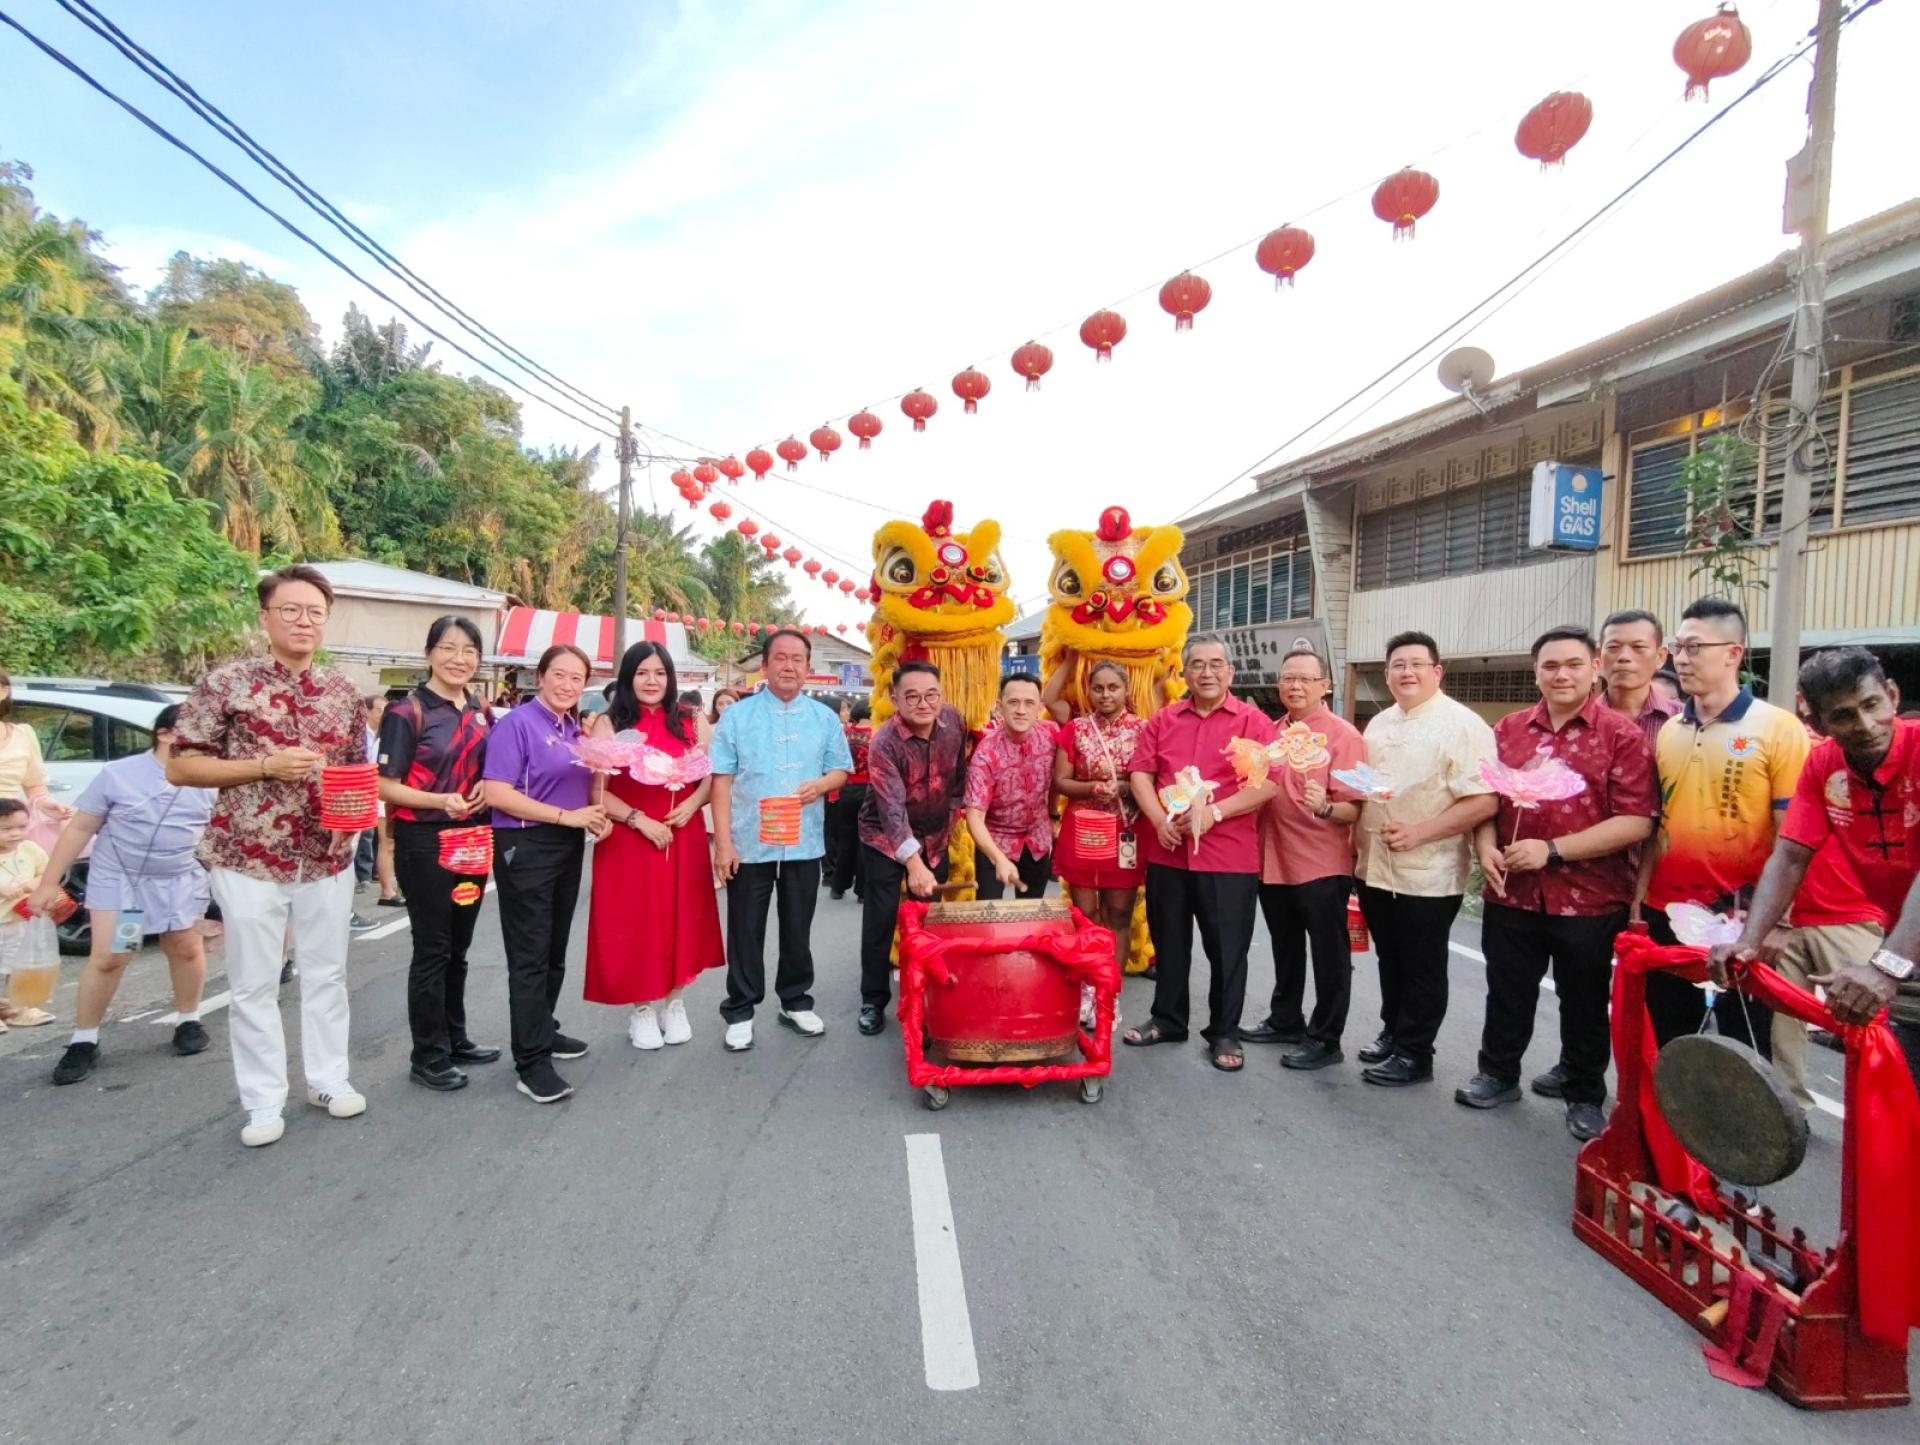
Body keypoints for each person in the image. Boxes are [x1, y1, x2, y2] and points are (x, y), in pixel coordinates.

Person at [166, 565, 368, 1148]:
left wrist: (348, 825)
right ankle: (262, 1101)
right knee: (254, 983)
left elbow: (354, 773)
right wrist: (261, 766)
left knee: (327, 974)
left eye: (314, 613)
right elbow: (181, 764)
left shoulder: (342, 691)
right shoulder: (226, 684)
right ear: (266, 615)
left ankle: (329, 1080)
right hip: (247, 856)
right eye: (291, 610)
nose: (304, 621)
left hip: (324, 859)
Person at [1458, 627, 1658, 1139]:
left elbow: (1636, 820)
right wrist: (1485, 846)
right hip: (1512, 891)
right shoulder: (1507, 730)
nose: (1561, 675)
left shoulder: (1622, 735)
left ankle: (1584, 1091)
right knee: (1506, 991)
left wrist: (1551, 850)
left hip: (1590, 897)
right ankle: (1498, 1074)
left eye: (1573, 664)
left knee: (1584, 1000)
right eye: (1550, 666)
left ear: (1595, 667)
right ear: (1536, 673)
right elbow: (1487, 802)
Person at [1706, 647, 1917, 1098]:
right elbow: (1789, 857)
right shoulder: (1823, 766)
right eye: (1843, 716)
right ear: (1819, 724)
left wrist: (1887, 967)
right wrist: (1748, 941)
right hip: (1909, 946)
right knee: (1901, 1092)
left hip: (1897, 948)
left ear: (1893, 696)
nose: (1863, 725)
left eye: (1871, 705)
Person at [1638, 598, 1809, 1055]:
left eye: (1695, 647)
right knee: (1666, 1042)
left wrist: (1777, 923)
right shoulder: (1670, 731)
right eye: (1679, 647)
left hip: (1743, 921)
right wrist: (1640, 903)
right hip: (1668, 914)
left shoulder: (1778, 729)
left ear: (1734, 653)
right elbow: (1658, 827)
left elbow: (1796, 839)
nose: (1683, 658)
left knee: (1745, 1051)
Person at [31, 706, 215, 1080]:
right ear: (164, 734)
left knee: (184, 947)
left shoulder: (213, 779)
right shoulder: (119, 774)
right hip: (121, 879)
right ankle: (84, 1040)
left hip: (179, 876)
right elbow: (81, 827)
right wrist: (50, 882)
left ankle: (188, 1020)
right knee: (112, 956)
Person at [1121, 636, 1278, 1073]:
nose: (1206, 673)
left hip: (1227, 857)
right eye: (1196, 665)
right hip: (1169, 853)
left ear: (1230, 672)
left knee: (1228, 950)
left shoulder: (1253, 723)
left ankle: (1224, 1031)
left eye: (1215, 665)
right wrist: (1157, 820)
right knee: (1169, 943)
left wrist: (1215, 813)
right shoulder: (1164, 720)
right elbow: (1140, 773)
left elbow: (1268, 784)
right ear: (1184, 673)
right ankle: (1168, 1019)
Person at [1352, 631, 1499, 1087]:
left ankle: (1417, 1053)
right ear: (1387, 673)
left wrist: (1420, 832)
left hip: (1428, 873)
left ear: (1437, 672)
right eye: (1398, 664)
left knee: (1422, 964)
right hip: (1375, 866)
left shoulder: (1463, 724)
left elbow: (1484, 801)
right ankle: (1393, 1032)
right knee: (1390, 959)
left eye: (1417, 664)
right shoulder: (1379, 724)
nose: (1407, 672)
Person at [710, 629, 851, 1051]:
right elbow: (721, 780)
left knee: (797, 925)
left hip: (804, 841)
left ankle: (795, 1000)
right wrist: (723, 843)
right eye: (781, 658)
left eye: (798, 659)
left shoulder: (824, 718)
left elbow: (841, 769)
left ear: (808, 667)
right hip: (749, 840)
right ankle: (741, 1007)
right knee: (745, 927)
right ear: (765, 664)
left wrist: (821, 785)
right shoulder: (737, 716)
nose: (789, 666)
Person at [376, 616, 500, 1093]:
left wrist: (488, 790)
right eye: (448, 648)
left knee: (459, 946)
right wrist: (439, 801)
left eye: (469, 650)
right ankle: (426, 1054)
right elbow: (386, 785)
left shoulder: (480, 711)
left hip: (473, 841)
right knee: (432, 947)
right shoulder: (406, 713)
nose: (459, 658)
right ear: (429, 653)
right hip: (425, 843)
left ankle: (455, 1037)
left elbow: (488, 769)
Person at [483, 644, 610, 1104]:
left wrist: (594, 813)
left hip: (567, 844)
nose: (567, 685)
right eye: (559, 675)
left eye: (577, 678)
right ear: (541, 677)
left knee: (555, 949)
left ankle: (544, 1028)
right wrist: (564, 817)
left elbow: (583, 788)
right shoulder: (516, 724)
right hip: (527, 844)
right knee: (531, 955)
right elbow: (496, 791)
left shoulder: (574, 730)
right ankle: (531, 1062)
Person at [585, 641, 724, 1051]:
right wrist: (637, 819)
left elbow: (710, 776)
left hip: (683, 834)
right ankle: (642, 1009)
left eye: (659, 673)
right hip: (630, 839)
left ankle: (675, 1002)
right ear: (628, 677)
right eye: (642, 672)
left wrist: (692, 807)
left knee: (682, 917)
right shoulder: (609, 724)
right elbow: (597, 791)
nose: (651, 681)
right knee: (636, 922)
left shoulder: (690, 719)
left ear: (670, 678)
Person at [1244, 648, 1367, 1071]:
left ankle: (1326, 1038)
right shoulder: (1270, 732)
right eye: (1288, 678)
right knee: (1286, 946)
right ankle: (1285, 1019)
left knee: (1329, 954)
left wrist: (1326, 807)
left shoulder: (1342, 736)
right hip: (1271, 856)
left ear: (1324, 685)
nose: (1295, 686)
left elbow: (1355, 808)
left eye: (1305, 679)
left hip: (1320, 862)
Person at [855, 662, 968, 1036]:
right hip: (884, 839)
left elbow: (958, 781)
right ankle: (873, 1000)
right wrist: (914, 863)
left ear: (942, 694)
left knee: (932, 917)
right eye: (913, 696)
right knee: (882, 918)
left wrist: (952, 823)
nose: (924, 703)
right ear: (895, 699)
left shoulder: (953, 721)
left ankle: (933, 989)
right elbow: (890, 810)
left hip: (935, 835)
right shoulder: (884, 742)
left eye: (931, 694)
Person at [1049, 659, 1148, 987]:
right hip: (1084, 831)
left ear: (1125, 689)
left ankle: (1110, 991)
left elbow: (1153, 778)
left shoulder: (1143, 730)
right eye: (1098, 688)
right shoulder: (1076, 729)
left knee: (1119, 915)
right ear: (1088, 691)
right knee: (1087, 914)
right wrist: (1092, 788)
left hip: (1126, 830)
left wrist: (1123, 787)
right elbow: (1061, 781)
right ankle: (1089, 987)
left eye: (1113, 687)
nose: (1106, 695)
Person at [965, 674, 1057, 901]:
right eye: (1013, 702)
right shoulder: (986, 754)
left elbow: (1059, 778)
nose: (1021, 710)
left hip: (1038, 839)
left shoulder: (1051, 734)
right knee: (988, 914)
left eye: (1029, 703)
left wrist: (1053, 815)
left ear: (1039, 708)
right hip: (995, 840)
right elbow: (974, 816)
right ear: (999, 707)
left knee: (1032, 914)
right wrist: (999, 859)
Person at [0, 797, 55, 1029]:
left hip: (17, 920)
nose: (15, 833)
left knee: (17, 965)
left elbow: (48, 871)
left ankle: (18, 1008)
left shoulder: (30, 849)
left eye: (22, 827)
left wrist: (35, 883)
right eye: (6, 829)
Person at [1599, 610, 1684, 750]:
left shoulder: (1686, 721)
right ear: (1600, 658)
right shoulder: (1576, 723)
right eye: (1613, 647)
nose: (1624, 657)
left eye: (1638, 647)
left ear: (1660, 657)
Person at [0, 665, 72, 824]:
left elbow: (34, 786)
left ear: (4, 692)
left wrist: (45, 804)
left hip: (9, 830)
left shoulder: (23, 735)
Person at [826, 699, 873, 902]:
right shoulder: (877, 734)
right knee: (866, 841)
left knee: (846, 839)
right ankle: (862, 892)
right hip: (870, 790)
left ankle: (838, 886)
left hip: (846, 788)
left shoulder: (846, 733)